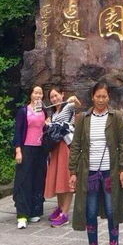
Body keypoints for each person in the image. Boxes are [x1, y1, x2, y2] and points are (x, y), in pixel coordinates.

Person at [69, 81, 123, 245]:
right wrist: (73, 172)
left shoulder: (115, 117)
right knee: (90, 211)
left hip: (109, 171)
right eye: (98, 96)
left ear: (108, 97)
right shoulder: (84, 118)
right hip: (89, 172)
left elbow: (122, 144)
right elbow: (76, 146)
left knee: (112, 211)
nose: (101, 100)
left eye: (104, 96)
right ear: (92, 97)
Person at [44, 86, 81, 227]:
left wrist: (73, 99)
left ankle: (65, 213)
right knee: (57, 178)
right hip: (54, 149)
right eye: (52, 97)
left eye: (56, 95)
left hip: (65, 147)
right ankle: (60, 208)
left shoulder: (68, 107)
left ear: (62, 94)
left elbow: (77, 104)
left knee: (66, 178)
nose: (54, 99)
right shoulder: (52, 115)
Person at [13, 85, 48, 229]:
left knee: (38, 179)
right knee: (24, 180)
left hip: (40, 150)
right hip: (26, 148)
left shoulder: (44, 111)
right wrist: (18, 150)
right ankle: (22, 214)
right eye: (36, 93)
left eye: (40, 93)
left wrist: (48, 124)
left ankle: (35, 210)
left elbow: (45, 130)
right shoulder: (23, 111)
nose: (38, 95)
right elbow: (18, 131)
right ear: (31, 95)